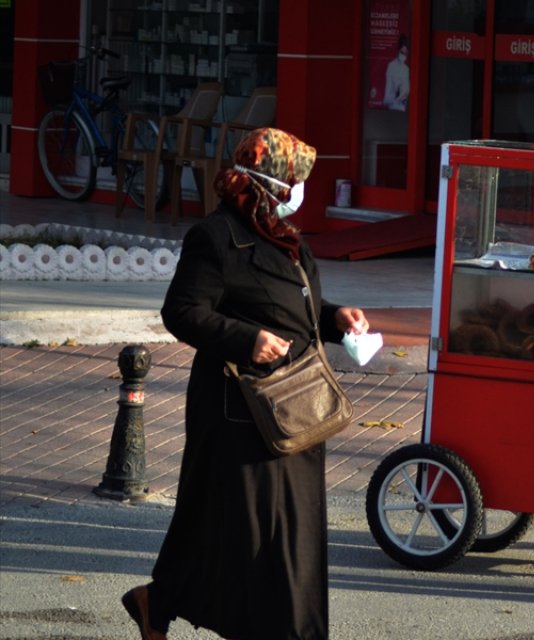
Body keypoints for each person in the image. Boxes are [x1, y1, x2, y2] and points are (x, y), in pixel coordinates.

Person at [122, 127, 369, 639]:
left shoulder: (284, 238)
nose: (299, 192)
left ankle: (160, 599)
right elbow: (182, 312)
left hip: (295, 404)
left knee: (270, 534)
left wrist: (334, 317)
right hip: (242, 412)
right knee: (258, 541)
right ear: (264, 184)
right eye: (295, 181)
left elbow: (292, 307)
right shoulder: (214, 237)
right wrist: (245, 339)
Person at [383, 34, 410, 111]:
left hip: (406, 110)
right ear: (398, 50)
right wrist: (398, 98)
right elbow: (386, 99)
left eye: (406, 53)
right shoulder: (391, 66)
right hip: (394, 110)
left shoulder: (406, 69)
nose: (404, 56)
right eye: (402, 52)